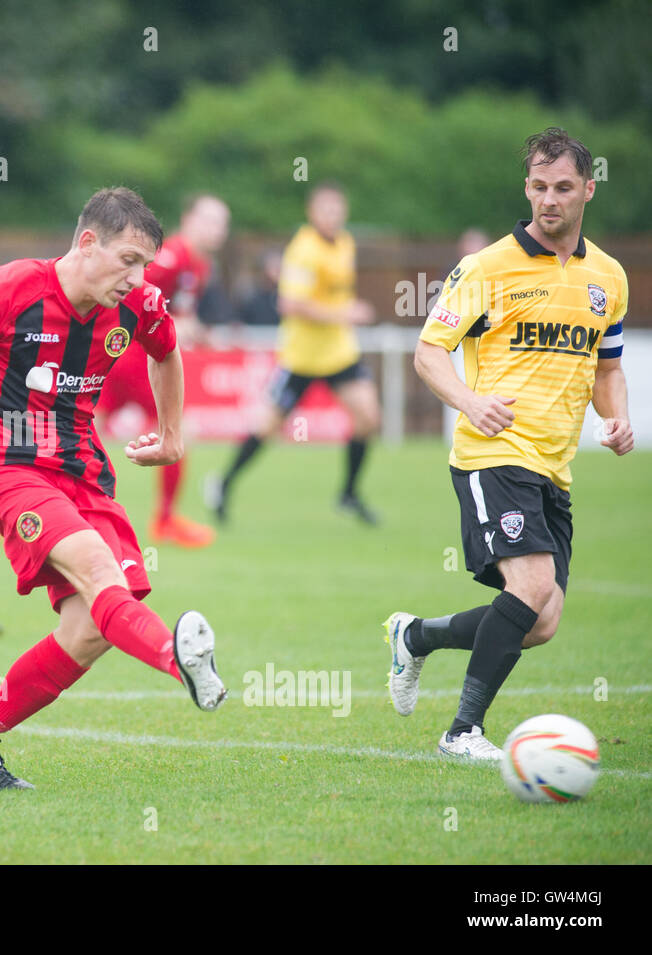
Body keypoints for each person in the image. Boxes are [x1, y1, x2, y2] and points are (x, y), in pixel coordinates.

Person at [0, 187, 227, 789]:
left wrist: (172, 434)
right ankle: (178, 658)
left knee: (91, 628)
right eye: (128, 261)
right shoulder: (6, 291)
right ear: (88, 243)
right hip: (4, 463)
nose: (138, 278)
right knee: (97, 570)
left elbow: (166, 356)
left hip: (82, 468)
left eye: (145, 264)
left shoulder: (137, 304)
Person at [385, 128, 631, 762]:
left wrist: (618, 418)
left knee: (542, 620)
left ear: (588, 190)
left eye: (564, 188)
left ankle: (415, 636)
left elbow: (606, 368)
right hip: (491, 456)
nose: (550, 200)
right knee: (531, 584)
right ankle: (463, 731)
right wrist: (471, 402)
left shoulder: (608, 277)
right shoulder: (487, 267)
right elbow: (428, 353)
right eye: (540, 187)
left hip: (555, 467)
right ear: (527, 188)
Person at [207, 182, 381, 524]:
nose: (332, 215)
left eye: (337, 209)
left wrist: (343, 313)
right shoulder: (303, 250)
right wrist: (344, 313)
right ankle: (223, 484)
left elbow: (333, 294)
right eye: (325, 209)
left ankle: (348, 494)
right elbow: (290, 304)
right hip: (301, 358)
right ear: (311, 212)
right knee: (266, 427)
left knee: (369, 418)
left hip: (339, 353)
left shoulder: (345, 243)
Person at [98, 194, 229, 548]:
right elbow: (132, 290)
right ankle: (165, 519)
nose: (217, 230)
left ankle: (166, 519)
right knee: (171, 431)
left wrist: (198, 332)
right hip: (129, 355)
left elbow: (175, 312)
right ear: (188, 219)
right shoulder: (171, 255)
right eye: (209, 220)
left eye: (222, 223)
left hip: (138, 356)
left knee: (81, 426)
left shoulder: (201, 266)